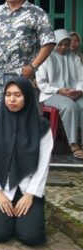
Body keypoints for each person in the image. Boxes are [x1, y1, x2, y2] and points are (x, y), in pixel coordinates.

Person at [0, 77, 53, 246]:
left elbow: (43, 165)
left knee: (31, 237)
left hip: (27, 188)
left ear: (27, 96)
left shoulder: (42, 126)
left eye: (18, 95)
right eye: (8, 95)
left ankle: (24, 220)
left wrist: (30, 195)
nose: (12, 99)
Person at [36, 29, 83, 160]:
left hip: (73, 94)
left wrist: (78, 90)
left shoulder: (75, 58)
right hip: (50, 94)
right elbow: (41, 83)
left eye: (66, 45)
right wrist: (59, 90)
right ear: (55, 43)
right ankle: (73, 144)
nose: (63, 47)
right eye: (60, 44)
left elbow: (81, 79)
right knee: (69, 106)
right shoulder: (46, 58)